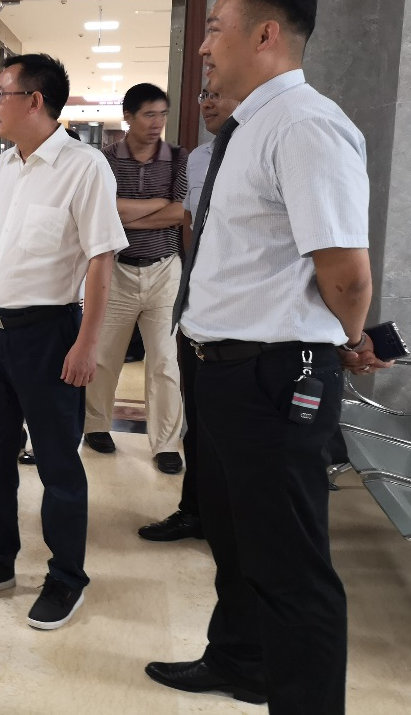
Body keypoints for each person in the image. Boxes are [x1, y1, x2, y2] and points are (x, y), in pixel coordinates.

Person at [145, 0, 386, 713]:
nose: (203, 46)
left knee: (289, 568)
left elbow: (346, 273)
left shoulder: (307, 126)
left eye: (215, 28)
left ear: (266, 34)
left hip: (273, 377)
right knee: (233, 539)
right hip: (220, 369)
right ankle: (240, 661)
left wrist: (348, 337)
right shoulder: (248, 127)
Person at [0, 53, 127, 631]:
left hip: (49, 336)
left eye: (0, 94)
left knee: (57, 463)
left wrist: (87, 344)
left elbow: (101, 260)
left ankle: (66, 577)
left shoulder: (85, 167)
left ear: (35, 101)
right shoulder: (1, 168)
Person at [138, 82, 235, 542]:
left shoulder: (283, 141)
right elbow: (189, 223)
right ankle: (194, 510)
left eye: (219, 92)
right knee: (200, 423)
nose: (208, 103)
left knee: (238, 438)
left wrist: (351, 336)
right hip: (200, 307)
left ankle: (233, 530)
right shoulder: (199, 159)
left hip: (253, 322)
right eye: (203, 95)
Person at [83, 84, 187, 473]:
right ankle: (95, 426)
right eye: (149, 114)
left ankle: (166, 443)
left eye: (162, 114)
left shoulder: (178, 158)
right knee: (104, 356)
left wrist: (126, 216)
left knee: (165, 361)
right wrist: (158, 206)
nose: (157, 122)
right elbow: (101, 211)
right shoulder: (106, 159)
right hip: (117, 269)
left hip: (165, 270)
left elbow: (181, 213)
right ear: (128, 117)